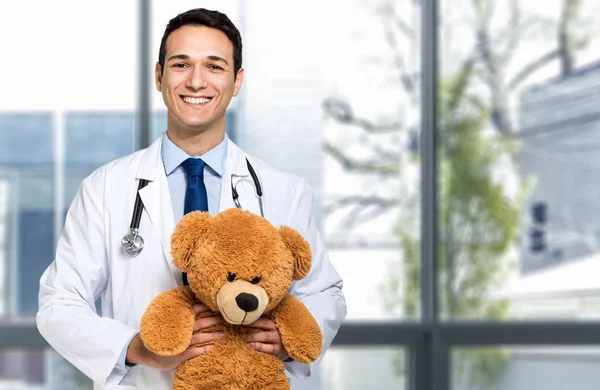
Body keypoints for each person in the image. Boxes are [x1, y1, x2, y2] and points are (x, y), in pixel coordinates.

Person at [36, 7, 346, 390]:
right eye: (181, 64)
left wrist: (286, 341)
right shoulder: (105, 188)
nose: (197, 81)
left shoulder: (284, 190)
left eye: (215, 67)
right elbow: (58, 303)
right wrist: (135, 348)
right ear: (159, 75)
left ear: (237, 81)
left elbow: (325, 292)